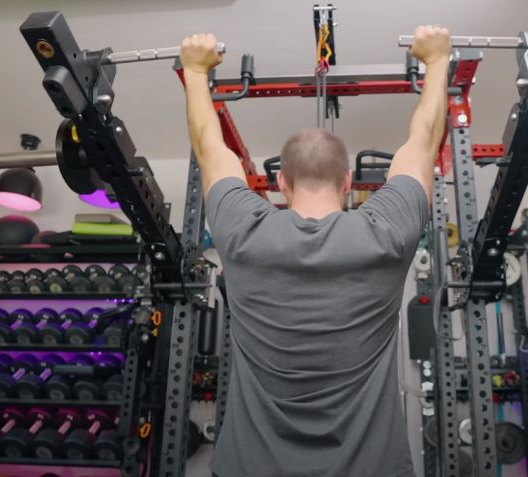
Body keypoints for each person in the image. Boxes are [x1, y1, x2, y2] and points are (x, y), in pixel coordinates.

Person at [180, 25, 452, 477]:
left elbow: (211, 150)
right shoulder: (385, 234)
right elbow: (422, 145)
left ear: (280, 183)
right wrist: (438, 61)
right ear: (349, 182)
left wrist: (194, 70)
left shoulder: (243, 232)